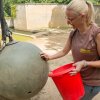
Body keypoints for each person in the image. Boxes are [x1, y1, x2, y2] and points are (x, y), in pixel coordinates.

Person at [41, 0, 100, 99]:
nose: (68, 22)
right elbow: (64, 51)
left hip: (92, 83)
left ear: (82, 16)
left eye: (71, 19)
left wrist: (85, 63)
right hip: (77, 78)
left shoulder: (96, 34)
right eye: (66, 18)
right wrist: (49, 57)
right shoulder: (73, 33)